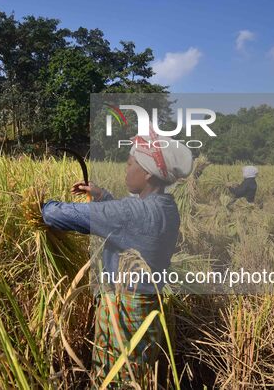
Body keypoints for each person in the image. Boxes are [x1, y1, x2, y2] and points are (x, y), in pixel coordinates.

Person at [40, 133, 193, 386]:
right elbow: (128, 226)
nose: (126, 168)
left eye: (130, 163)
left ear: (147, 173)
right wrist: (103, 197)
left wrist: (42, 208)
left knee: (116, 379)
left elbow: (62, 216)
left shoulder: (134, 213)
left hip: (124, 314)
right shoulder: (166, 207)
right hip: (147, 310)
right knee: (138, 377)